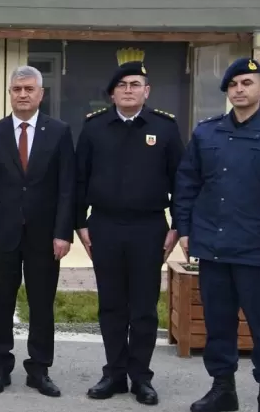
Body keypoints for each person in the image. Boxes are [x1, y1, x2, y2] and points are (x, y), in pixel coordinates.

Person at [174, 58, 260, 412]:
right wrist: (185, 229)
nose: (239, 90)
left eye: (247, 83)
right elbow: (187, 184)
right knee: (218, 326)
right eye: (233, 85)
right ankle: (223, 391)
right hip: (214, 248)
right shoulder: (206, 132)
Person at [75, 59, 184, 406]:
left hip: (149, 227)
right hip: (104, 225)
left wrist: (179, 226)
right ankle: (114, 373)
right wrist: (80, 224)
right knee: (111, 306)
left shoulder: (165, 128)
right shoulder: (94, 128)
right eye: (122, 86)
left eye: (135, 84)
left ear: (146, 91)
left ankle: (141, 377)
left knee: (143, 308)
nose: (128, 90)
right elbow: (79, 180)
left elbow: (181, 181)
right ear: (112, 93)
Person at [0, 65, 75, 397]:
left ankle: (39, 369)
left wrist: (63, 233)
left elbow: (67, 188)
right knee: (1, 303)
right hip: (2, 235)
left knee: (42, 304)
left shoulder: (59, 132)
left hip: (45, 237)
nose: (22, 94)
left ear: (40, 94)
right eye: (17, 89)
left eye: (29, 89)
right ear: (10, 93)